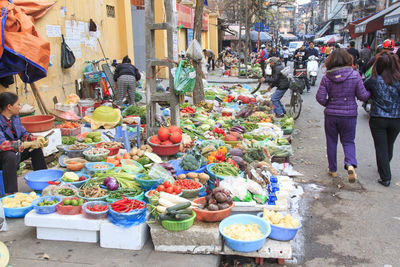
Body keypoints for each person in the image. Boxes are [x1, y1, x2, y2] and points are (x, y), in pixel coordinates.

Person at [316, 48, 370, 183]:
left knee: (331, 141)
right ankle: (350, 164)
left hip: (331, 115)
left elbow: (320, 97)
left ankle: (333, 169)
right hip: (349, 115)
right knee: (348, 141)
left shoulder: (327, 77)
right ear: (348, 59)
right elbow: (362, 95)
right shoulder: (355, 75)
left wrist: (330, 103)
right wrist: (371, 92)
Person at [364, 51, 400, 187]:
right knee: (389, 145)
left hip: (378, 118)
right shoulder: (398, 80)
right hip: (396, 118)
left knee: (381, 147)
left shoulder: (373, 80)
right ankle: (385, 167)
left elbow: (363, 90)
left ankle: (385, 176)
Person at [0, 92, 48, 194]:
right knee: (10, 156)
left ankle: (43, 181)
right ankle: (11, 193)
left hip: (16, 151)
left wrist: (37, 139)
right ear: (9, 107)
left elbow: (24, 134)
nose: (19, 107)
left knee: (36, 148)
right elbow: (3, 144)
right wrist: (23, 145)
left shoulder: (15, 118)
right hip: (3, 157)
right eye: (18, 104)